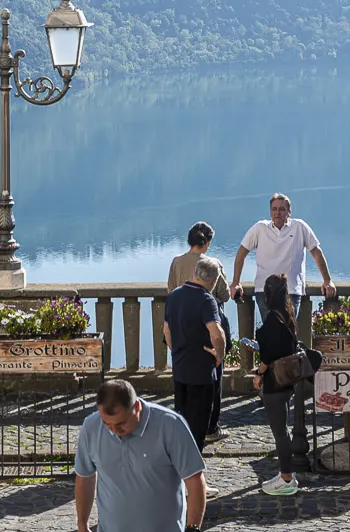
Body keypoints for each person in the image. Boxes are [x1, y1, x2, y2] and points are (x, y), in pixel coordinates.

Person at [74, 377, 208, 532]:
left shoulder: (170, 425)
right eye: (107, 424)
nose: (114, 431)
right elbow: (85, 477)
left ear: (137, 407)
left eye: (121, 423)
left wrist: (192, 529)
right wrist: (82, 525)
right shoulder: (91, 427)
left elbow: (195, 481)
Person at [167, 221, 232, 442]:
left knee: (182, 382)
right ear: (208, 242)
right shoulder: (212, 265)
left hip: (180, 326)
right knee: (213, 379)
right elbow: (224, 295)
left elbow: (171, 290)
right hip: (205, 326)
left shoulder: (176, 262)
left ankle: (183, 430)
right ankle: (210, 428)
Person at [163, 256, 226, 477]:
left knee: (182, 424)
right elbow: (216, 334)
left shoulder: (174, 296)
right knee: (198, 430)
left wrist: (176, 351)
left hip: (180, 370)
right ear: (214, 281)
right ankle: (194, 482)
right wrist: (219, 355)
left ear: (194, 273)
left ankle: (180, 474)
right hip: (201, 372)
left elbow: (166, 331)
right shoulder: (206, 300)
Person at [229, 193, 337, 318]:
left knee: (288, 328)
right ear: (270, 212)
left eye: (281, 209)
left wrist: (327, 281)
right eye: (274, 209)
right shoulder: (259, 228)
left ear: (289, 212)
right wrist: (235, 282)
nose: (277, 213)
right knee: (270, 328)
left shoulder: (300, 227)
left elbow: (317, 253)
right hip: (264, 291)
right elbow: (241, 254)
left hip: (291, 290)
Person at [254, 273, 303, 496]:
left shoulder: (271, 321)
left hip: (274, 382)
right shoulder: (288, 316)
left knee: (280, 432)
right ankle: (286, 474)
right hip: (287, 380)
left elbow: (268, 356)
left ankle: (286, 478)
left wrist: (258, 374)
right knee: (283, 429)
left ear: (267, 295)